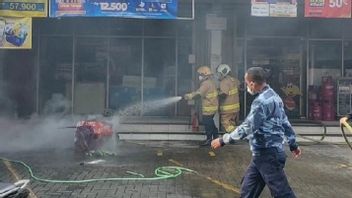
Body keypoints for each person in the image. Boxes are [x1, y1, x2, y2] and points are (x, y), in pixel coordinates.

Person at [211, 67, 302, 198]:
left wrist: (223, 140)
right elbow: (285, 123)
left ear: (252, 83)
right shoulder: (275, 97)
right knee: (247, 191)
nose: (247, 87)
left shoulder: (261, 102)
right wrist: (293, 144)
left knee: (282, 193)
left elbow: (248, 127)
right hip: (262, 154)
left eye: (247, 83)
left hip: (268, 155)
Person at [184, 66, 219, 146]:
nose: (199, 76)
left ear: (204, 75)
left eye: (200, 75)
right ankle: (216, 137)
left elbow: (198, 94)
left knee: (207, 123)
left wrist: (189, 96)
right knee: (210, 122)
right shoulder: (210, 82)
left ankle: (209, 140)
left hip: (209, 108)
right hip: (212, 106)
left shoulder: (206, 84)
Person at [216, 64, 240, 133]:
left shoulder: (224, 82)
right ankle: (232, 138)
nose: (218, 75)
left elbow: (223, 94)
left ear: (223, 72)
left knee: (225, 123)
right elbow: (239, 89)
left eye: (219, 73)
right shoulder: (235, 80)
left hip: (227, 109)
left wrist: (216, 94)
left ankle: (240, 133)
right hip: (235, 108)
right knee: (232, 123)